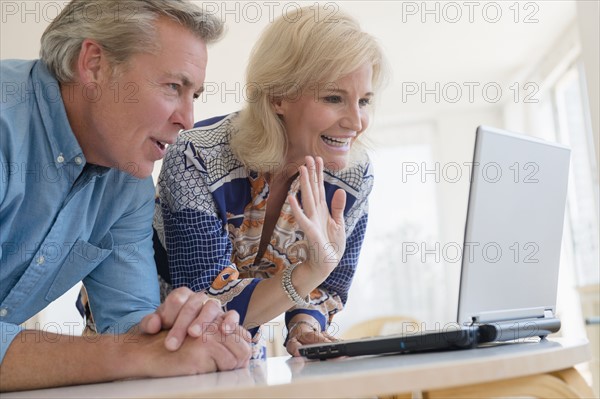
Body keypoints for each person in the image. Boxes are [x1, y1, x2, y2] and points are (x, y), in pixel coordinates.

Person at [0, 0, 252, 392]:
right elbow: (131, 351)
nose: (187, 119)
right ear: (95, 64)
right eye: (173, 87)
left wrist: (181, 332)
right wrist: (134, 354)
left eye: (195, 95)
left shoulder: (129, 181)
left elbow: (129, 320)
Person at [154, 5, 387, 357]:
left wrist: (305, 327)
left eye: (364, 101)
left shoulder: (352, 177)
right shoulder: (197, 156)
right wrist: (313, 269)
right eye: (334, 98)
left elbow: (329, 288)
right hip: (153, 342)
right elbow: (207, 303)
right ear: (278, 96)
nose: (356, 121)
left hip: (240, 350)